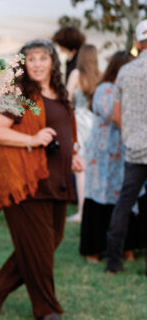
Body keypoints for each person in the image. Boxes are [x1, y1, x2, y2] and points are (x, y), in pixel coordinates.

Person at [0, 39, 83, 320]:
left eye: (43, 58)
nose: (37, 64)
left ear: (53, 62)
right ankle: (46, 308)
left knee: (49, 242)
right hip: (25, 181)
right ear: (24, 64)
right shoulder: (20, 94)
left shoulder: (60, 94)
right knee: (38, 248)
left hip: (56, 180)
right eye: (31, 58)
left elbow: (64, 130)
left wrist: (72, 154)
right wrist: (32, 140)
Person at [80, 50, 139, 262]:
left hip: (123, 152)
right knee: (99, 201)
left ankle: (126, 248)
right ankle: (93, 250)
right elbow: (117, 116)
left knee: (123, 200)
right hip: (103, 155)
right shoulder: (105, 90)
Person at [105, 19, 147, 275]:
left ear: (136, 42)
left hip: (134, 147)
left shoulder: (125, 71)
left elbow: (116, 115)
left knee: (124, 203)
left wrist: (130, 135)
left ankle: (113, 263)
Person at [66, 43, 100, 223]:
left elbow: (67, 98)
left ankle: (82, 211)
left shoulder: (76, 74)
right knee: (94, 167)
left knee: (81, 168)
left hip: (79, 122)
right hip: (95, 122)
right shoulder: (99, 75)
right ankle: (94, 208)